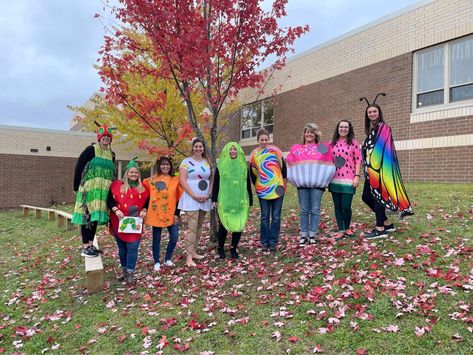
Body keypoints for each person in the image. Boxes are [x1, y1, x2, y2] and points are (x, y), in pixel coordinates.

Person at [360, 94, 414, 239]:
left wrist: (373, 166)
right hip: (370, 171)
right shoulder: (372, 130)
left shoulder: (384, 127)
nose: (372, 114)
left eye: (374, 111)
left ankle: (380, 229)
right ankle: (386, 223)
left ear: (379, 113)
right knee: (366, 196)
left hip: (379, 170)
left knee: (378, 197)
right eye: (369, 112)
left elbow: (380, 150)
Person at [286, 123, 336, 245]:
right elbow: (290, 162)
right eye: (307, 132)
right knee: (304, 210)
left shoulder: (322, 148)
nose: (309, 134)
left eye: (311, 132)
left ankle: (312, 234)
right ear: (304, 134)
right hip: (302, 185)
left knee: (315, 209)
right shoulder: (297, 149)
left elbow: (329, 161)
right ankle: (303, 235)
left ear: (316, 134)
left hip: (317, 185)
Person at [72, 124, 115, 257]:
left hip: (103, 191)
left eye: (108, 137)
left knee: (95, 217)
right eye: (104, 136)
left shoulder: (112, 154)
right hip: (89, 189)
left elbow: (111, 174)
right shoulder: (91, 150)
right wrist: (75, 187)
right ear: (99, 138)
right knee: (87, 216)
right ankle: (85, 247)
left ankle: (91, 244)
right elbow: (79, 167)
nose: (106, 138)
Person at [107, 159, 149, 283]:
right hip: (119, 220)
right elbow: (109, 200)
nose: (134, 174)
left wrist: (144, 210)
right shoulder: (116, 185)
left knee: (133, 247)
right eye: (131, 172)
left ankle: (130, 272)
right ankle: (124, 271)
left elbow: (147, 201)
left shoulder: (144, 188)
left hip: (135, 222)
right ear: (127, 173)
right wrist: (116, 210)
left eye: (136, 172)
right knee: (122, 248)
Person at [212, 142, 253, 259]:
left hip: (240, 200)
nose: (233, 151)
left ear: (238, 151)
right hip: (225, 200)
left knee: (239, 224)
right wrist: (214, 199)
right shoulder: (221, 165)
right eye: (230, 149)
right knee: (224, 225)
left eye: (235, 149)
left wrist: (249, 199)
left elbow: (247, 183)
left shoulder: (243, 165)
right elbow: (216, 183)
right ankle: (220, 248)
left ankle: (233, 248)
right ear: (227, 151)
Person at [143, 156, 183, 271]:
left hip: (171, 213)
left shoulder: (176, 180)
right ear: (159, 166)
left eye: (167, 164)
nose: (165, 166)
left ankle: (167, 258)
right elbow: (146, 197)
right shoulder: (151, 180)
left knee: (174, 237)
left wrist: (177, 213)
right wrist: (144, 209)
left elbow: (179, 198)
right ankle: (156, 261)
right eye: (163, 164)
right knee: (156, 238)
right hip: (156, 213)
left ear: (170, 166)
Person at [250, 128, 286, 252]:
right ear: (258, 141)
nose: (264, 142)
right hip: (263, 189)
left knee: (276, 216)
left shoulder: (276, 152)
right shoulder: (254, 155)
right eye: (261, 140)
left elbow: (283, 168)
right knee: (265, 217)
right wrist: (258, 186)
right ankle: (264, 242)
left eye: (266, 139)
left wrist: (283, 184)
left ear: (269, 140)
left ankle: (273, 242)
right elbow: (253, 173)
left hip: (277, 188)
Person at [178, 138, 213, 267]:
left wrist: (208, 194)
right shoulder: (186, 162)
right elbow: (182, 180)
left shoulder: (208, 162)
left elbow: (212, 180)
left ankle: (193, 251)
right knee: (192, 227)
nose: (198, 148)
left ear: (203, 148)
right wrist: (194, 195)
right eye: (196, 146)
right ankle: (188, 257)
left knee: (199, 226)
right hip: (190, 199)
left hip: (204, 199)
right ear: (192, 148)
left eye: (200, 147)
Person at [329, 120, 362, 239]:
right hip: (334, 179)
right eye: (341, 127)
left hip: (349, 179)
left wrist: (357, 177)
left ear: (349, 129)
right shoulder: (331, 144)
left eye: (346, 127)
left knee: (346, 206)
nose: (343, 129)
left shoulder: (353, 143)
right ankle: (341, 229)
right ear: (338, 128)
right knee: (337, 206)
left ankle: (347, 228)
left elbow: (358, 160)